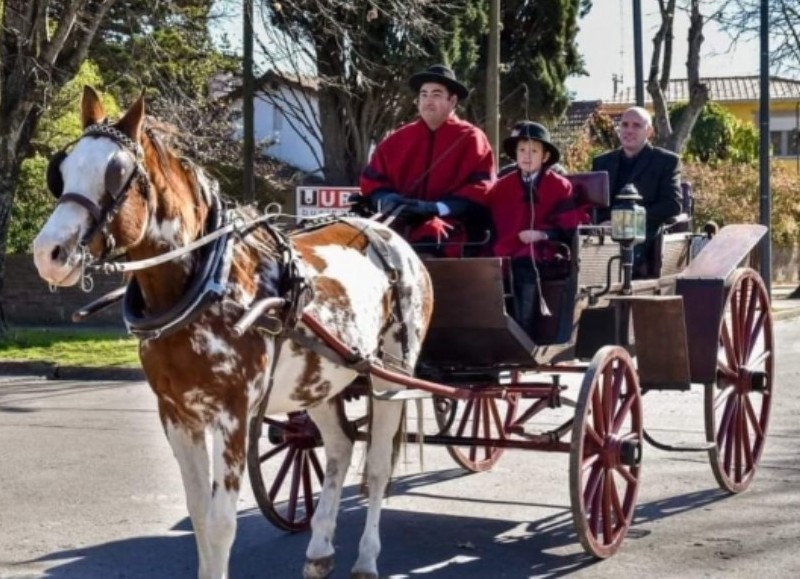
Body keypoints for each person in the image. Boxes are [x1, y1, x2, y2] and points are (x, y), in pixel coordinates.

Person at [359, 64, 495, 256]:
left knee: (431, 232)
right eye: (424, 94)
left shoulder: (472, 138)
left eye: (436, 94)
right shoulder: (396, 139)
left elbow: (482, 188)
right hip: (396, 218)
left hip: (450, 223)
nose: (428, 101)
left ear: (452, 100)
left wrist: (434, 208)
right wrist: (385, 198)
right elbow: (373, 180)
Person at [488, 121, 588, 337]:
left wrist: (542, 234)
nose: (526, 155)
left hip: (547, 248)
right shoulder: (502, 186)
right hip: (507, 245)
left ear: (544, 157)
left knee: (526, 259)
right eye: (522, 150)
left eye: (533, 151)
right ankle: (493, 329)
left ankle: (524, 331)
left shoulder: (559, 185)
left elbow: (568, 228)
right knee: (483, 263)